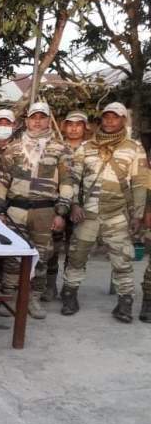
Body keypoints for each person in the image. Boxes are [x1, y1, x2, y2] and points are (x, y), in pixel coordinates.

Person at [61, 102, 148, 322]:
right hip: (87, 213)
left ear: (123, 120)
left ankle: (125, 304)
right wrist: (74, 204)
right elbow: (73, 178)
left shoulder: (134, 148)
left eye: (115, 117)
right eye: (107, 116)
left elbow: (140, 182)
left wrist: (138, 215)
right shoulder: (86, 147)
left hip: (117, 214)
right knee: (76, 256)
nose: (110, 121)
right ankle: (69, 296)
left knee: (122, 261)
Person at [0, 101, 73, 319]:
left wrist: (61, 212)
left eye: (42, 117)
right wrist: (0, 212)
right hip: (15, 210)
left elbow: (67, 183)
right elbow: (2, 182)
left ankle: (33, 298)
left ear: (48, 120)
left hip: (45, 211)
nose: (37, 122)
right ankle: (9, 296)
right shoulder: (14, 148)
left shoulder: (60, 149)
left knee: (42, 256)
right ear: (27, 121)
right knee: (12, 255)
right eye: (33, 118)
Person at [45, 110, 88, 301]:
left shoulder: (92, 149)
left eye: (78, 125)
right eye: (70, 124)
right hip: (57, 205)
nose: (74, 128)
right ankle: (50, 286)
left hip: (81, 207)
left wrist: (77, 203)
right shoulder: (56, 147)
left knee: (74, 249)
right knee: (52, 247)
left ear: (85, 127)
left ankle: (69, 288)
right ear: (64, 126)